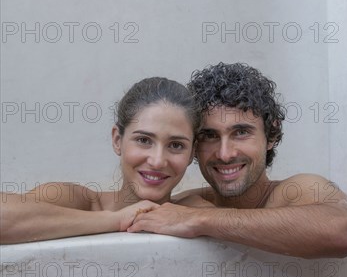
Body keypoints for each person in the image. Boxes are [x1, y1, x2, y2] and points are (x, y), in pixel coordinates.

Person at [127, 63, 347, 259]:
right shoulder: (186, 205)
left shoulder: (294, 190)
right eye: (209, 136)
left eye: (240, 132)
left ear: (271, 135)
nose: (225, 154)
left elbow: (340, 231)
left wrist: (202, 219)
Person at [1, 77, 201, 244]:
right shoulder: (77, 201)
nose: (157, 161)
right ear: (117, 140)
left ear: (192, 152)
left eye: (176, 145)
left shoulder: (192, 210)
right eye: (143, 140)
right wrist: (115, 220)